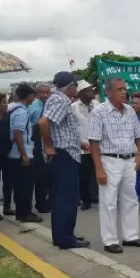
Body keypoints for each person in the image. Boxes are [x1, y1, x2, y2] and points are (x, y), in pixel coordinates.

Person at [88, 76, 140, 254]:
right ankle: (110, 240)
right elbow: (94, 143)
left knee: (131, 198)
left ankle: (131, 236)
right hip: (110, 160)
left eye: (124, 89)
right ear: (108, 92)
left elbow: (139, 136)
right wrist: (99, 168)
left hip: (129, 160)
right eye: (119, 89)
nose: (124, 92)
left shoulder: (130, 110)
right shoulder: (99, 112)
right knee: (109, 201)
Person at [38, 72, 90, 249]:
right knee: (65, 198)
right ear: (69, 86)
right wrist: (49, 146)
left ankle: (65, 235)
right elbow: (43, 123)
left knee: (65, 197)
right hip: (63, 155)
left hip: (67, 152)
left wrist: (80, 142)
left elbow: (60, 128)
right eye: (75, 84)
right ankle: (65, 238)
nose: (77, 87)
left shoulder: (57, 99)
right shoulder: (61, 100)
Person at [7, 84, 41, 223]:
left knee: (20, 185)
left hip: (15, 153)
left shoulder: (13, 109)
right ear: (28, 96)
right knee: (25, 186)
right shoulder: (21, 112)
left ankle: (22, 212)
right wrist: (24, 154)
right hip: (22, 153)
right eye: (33, 94)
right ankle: (25, 213)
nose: (34, 97)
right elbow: (18, 133)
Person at [72, 80, 100, 211]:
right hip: (83, 148)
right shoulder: (73, 108)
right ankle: (86, 200)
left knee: (101, 172)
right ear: (81, 94)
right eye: (88, 90)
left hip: (98, 146)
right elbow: (71, 129)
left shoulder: (97, 105)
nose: (92, 92)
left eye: (92, 89)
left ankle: (100, 197)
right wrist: (80, 142)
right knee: (84, 176)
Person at [28, 83, 52, 213]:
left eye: (47, 92)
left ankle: (47, 201)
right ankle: (40, 203)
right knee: (39, 176)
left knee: (48, 176)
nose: (45, 95)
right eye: (42, 92)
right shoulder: (32, 107)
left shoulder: (51, 106)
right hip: (35, 145)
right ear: (37, 94)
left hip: (48, 144)